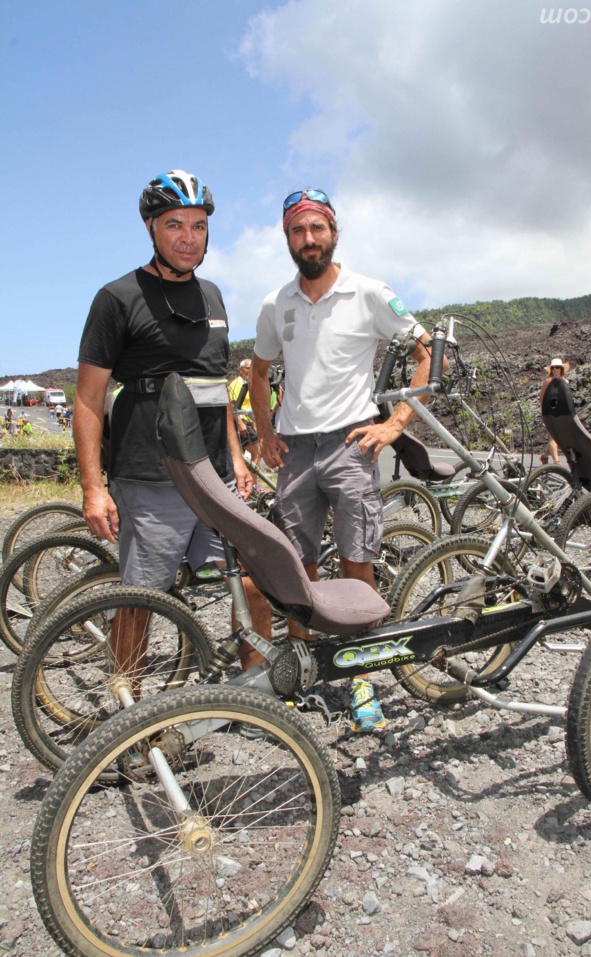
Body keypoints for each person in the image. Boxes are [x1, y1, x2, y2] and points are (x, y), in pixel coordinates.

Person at [74, 169, 271, 692]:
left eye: (199, 226)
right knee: (142, 598)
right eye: (175, 225)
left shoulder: (213, 296)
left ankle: (255, 691)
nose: (189, 237)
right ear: (151, 229)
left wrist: (236, 456)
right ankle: (125, 708)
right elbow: (89, 399)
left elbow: (215, 387)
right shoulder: (117, 298)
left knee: (251, 578)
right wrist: (94, 487)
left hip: (215, 476)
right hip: (151, 475)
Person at [250, 188, 433, 732]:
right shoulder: (275, 303)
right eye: (298, 232)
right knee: (295, 567)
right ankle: (304, 670)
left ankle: (361, 678)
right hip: (295, 449)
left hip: (351, 444)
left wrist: (396, 423)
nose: (309, 240)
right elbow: (257, 372)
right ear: (287, 239)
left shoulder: (369, 292)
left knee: (357, 562)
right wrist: (264, 431)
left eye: (317, 229)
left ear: (334, 233)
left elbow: (427, 352)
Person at [228, 359, 261, 463]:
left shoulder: (247, 383)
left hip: (249, 422)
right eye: (248, 368)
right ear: (240, 370)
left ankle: (252, 477)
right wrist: (240, 422)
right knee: (255, 454)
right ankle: (253, 478)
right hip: (243, 424)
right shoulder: (237, 384)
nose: (251, 370)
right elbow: (233, 405)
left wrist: (254, 422)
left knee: (254, 455)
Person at [539, 358, 570, 465]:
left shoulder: (565, 382)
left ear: (561, 369)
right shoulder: (548, 382)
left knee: (557, 438)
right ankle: (557, 461)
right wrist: (543, 413)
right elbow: (542, 398)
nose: (555, 369)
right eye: (553, 368)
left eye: (557, 367)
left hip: (562, 413)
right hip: (550, 413)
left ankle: (544, 456)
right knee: (552, 437)